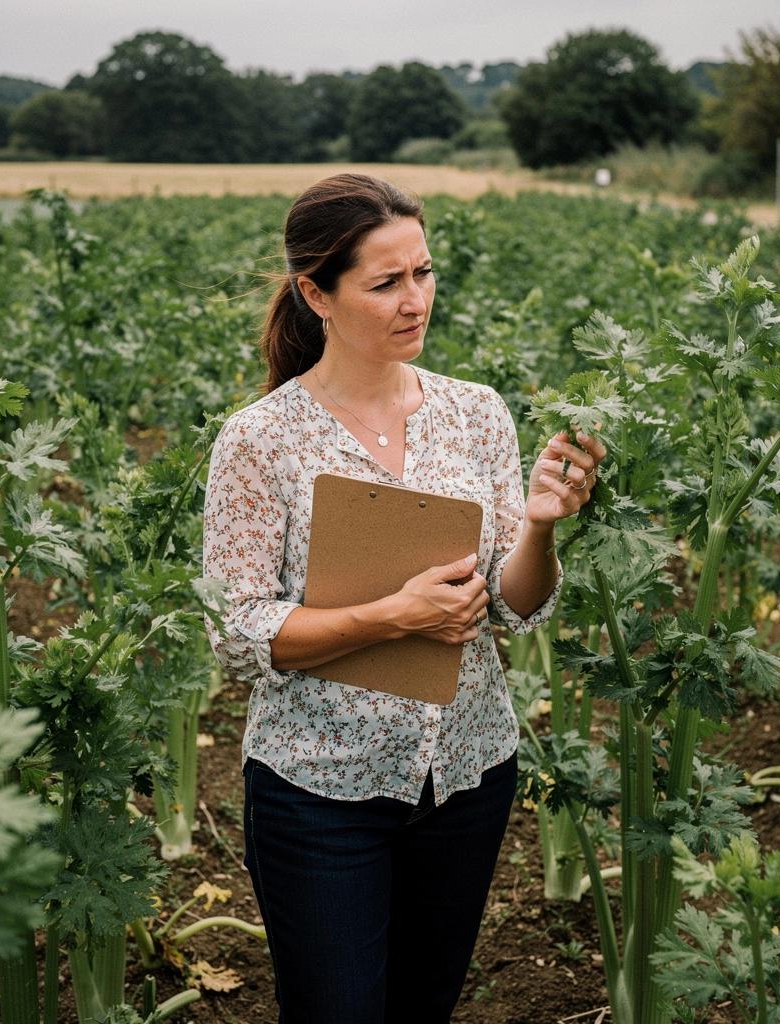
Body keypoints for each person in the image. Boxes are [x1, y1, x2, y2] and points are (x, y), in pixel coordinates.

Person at [202, 173, 605, 1024]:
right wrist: (394, 617)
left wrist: (538, 528)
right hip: (318, 793)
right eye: (385, 283)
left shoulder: (477, 414)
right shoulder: (259, 440)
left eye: (422, 273)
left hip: (466, 776)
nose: (414, 299)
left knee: (424, 1008)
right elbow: (239, 634)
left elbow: (513, 604)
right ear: (317, 292)